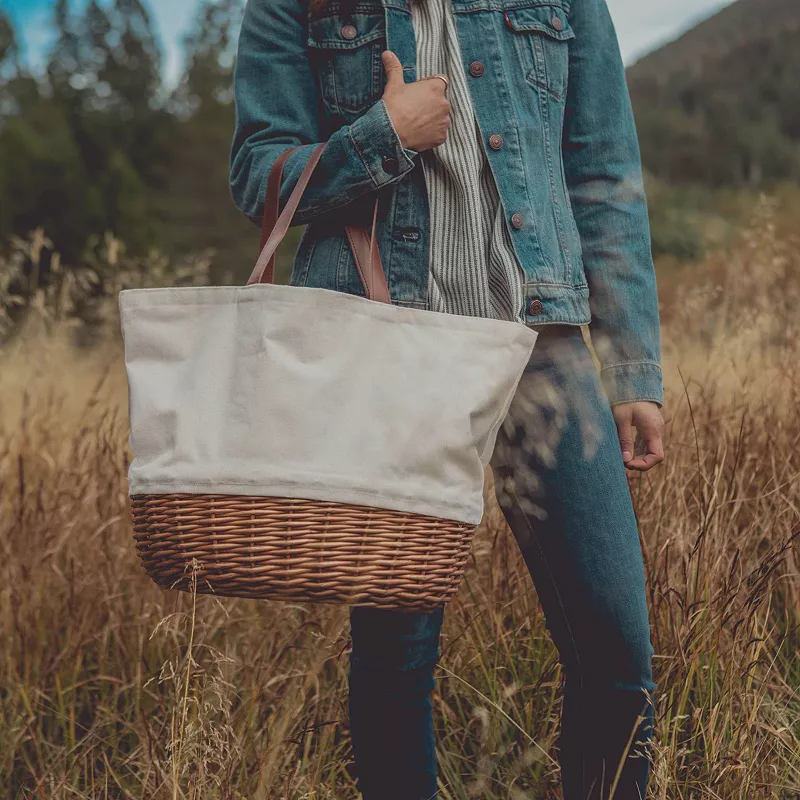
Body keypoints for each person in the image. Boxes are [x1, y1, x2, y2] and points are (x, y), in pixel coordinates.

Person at [230, 0, 665, 796]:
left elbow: (602, 173)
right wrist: (381, 138)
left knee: (615, 648)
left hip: (544, 347)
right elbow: (257, 172)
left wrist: (634, 365)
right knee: (396, 656)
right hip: (390, 349)